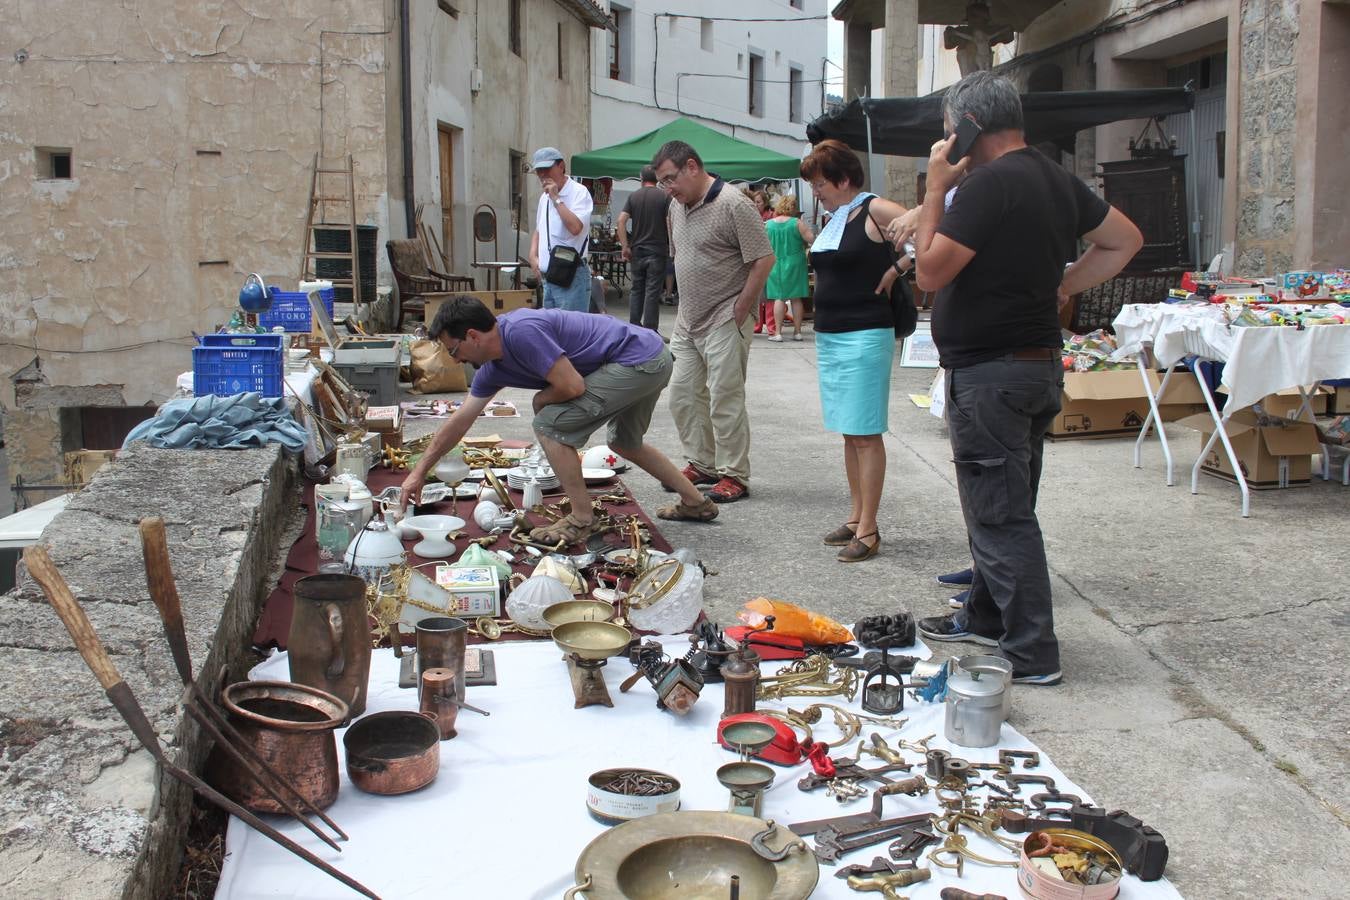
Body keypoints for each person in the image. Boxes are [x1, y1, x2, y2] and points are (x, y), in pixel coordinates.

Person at [896, 72, 1142, 684]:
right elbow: (1123, 241)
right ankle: (987, 616)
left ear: (968, 127)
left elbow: (928, 273)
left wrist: (933, 189)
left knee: (1002, 516)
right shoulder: (1056, 179)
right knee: (1004, 502)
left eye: (950, 131)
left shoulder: (987, 185)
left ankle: (1033, 654)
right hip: (1033, 367)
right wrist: (1063, 283)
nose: (947, 142)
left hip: (991, 375)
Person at [399, 296, 719, 539]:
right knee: (624, 441)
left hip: (638, 361)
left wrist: (541, 398)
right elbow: (460, 421)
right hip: (650, 356)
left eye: (453, 351)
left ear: (472, 336)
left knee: (549, 425)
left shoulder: (521, 332)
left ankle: (582, 518)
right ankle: (695, 502)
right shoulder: (492, 368)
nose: (456, 361)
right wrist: (418, 473)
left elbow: (571, 385)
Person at [800, 139, 910, 563]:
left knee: (866, 432)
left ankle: (869, 528)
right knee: (850, 430)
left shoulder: (874, 209)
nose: (817, 190)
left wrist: (897, 268)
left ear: (844, 180)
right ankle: (855, 514)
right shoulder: (836, 217)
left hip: (865, 334)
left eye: (822, 182)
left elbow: (928, 230)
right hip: (832, 334)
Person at [651, 140, 775, 504]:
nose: (668, 188)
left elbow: (763, 260)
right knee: (683, 395)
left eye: (670, 179)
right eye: (661, 182)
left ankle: (734, 474)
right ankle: (703, 463)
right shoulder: (676, 206)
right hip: (689, 319)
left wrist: (742, 307)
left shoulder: (734, 203)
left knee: (725, 397)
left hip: (725, 314)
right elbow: (683, 256)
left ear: (692, 166)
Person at [528, 147, 594, 313]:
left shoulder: (579, 192)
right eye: (539, 171)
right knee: (552, 330)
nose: (543, 175)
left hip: (571, 274)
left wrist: (556, 198)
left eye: (547, 169)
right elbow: (539, 229)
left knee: (572, 331)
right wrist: (533, 255)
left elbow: (575, 227)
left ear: (561, 166)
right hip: (548, 275)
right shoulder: (544, 198)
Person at [616, 166, 671, 332]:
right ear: (657, 179)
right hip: (658, 250)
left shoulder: (633, 197)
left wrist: (625, 246)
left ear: (641, 179)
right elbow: (671, 222)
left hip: (637, 250)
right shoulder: (664, 197)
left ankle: (634, 328)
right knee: (652, 292)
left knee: (636, 289)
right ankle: (650, 332)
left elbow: (620, 221)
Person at [763, 195, 813, 343]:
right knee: (796, 298)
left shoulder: (768, 224)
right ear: (793, 208)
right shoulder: (797, 223)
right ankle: (797, 332)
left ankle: (777, 333)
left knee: (779, 297)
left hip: (775, 262)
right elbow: (811, 239)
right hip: (795, 262)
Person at [746, 189, 778, 336]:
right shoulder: (750, 216)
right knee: (757, 295)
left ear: (764, 203)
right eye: (754, 201)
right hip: (755, 259)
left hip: (770, 258)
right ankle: (757, 325)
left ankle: (771, 326)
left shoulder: (772, 217)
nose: (755, 204)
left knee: (770, 295)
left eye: (758, 202)